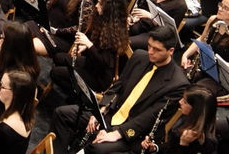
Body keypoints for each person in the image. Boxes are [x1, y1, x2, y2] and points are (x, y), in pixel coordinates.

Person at [52, 25, 189, 154]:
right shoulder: (139, 57)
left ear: (171, 51)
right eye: (149, 46)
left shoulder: (177, 84)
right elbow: (117, 86)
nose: (150, 52)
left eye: (157, 50)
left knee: (97, 148)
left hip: (133, 132)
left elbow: (149, 117)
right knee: (62, 114)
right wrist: (101, 110)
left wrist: (117, 134)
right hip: (111, 114)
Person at [52, 0, 131, 97]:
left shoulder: (113, 33)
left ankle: (79, 97)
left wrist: (88, 44)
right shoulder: (103, 20)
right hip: (91, 64)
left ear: (109, 9)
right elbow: (97, 47)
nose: (96, 6)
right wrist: (84, 47)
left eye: (100, 4)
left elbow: (104, 63)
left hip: (98, 77)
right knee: (58, 57)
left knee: (55, 73)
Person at [180, 0, 229, 98]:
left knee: (194, 93)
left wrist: (213, 60)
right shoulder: (213, 20)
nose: (220, 9)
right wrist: (185, 55)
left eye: (225, 8)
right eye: (221, 5)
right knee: (179, 79)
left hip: (219, 78)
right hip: (203, 67)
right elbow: (201, 39)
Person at [140, 84, 218, 154]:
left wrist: (183, 144)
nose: (180, 101)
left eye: (185, 102)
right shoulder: (185, 119)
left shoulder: (206, 143)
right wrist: (154, 148)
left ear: (195, 110)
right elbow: (172, 146)